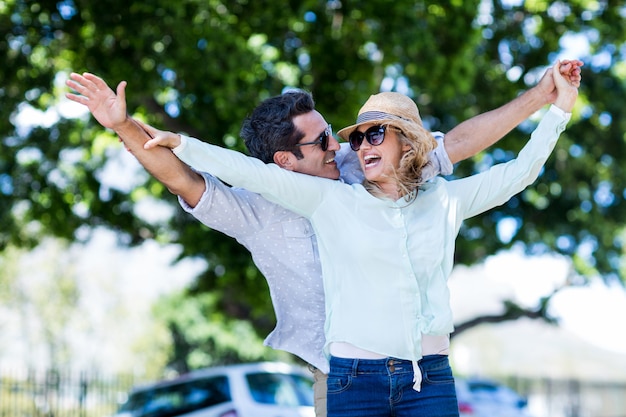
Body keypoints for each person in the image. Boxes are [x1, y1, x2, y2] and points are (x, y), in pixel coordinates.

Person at [65, 60, 582, 417]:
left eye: (340, 131)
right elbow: (184, 175)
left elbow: (457, 148)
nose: (342, 145)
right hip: (341, 376)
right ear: (287, 162)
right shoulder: (257, 210)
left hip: (423, 369)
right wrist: (124, 125)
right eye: (324, 141)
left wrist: (544, 98)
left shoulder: (367, 167)